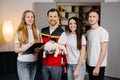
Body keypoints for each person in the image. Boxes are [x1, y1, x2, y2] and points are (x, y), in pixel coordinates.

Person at [40, 8, 67, 80]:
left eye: (55, 16)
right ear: (47, 17)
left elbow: (61, 50)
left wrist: (48, 48)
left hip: (56, 65)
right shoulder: (43, 31)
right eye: (50, 16)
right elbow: (41, 46)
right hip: (44, 64)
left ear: (58, 17)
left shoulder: (61, 32)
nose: (52, 18)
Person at [14, 10, 40, 80]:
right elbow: (16, 50)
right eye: (28, 17)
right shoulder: (20, 32)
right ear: (24, 19)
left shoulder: (36, 31)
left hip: (34, 62)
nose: (30, 19)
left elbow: (37, 46)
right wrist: (29, 48)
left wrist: (38, 49)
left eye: (32, 17)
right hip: (23, 63)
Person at [86, 9, 109, 80]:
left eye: (94, 16)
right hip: (90, 64)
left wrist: (98, 67)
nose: (91, 18)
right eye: (90, 16)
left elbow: (104, 51)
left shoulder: (103, 32)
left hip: (98, 65)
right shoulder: (88, 32)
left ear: (98, 18)